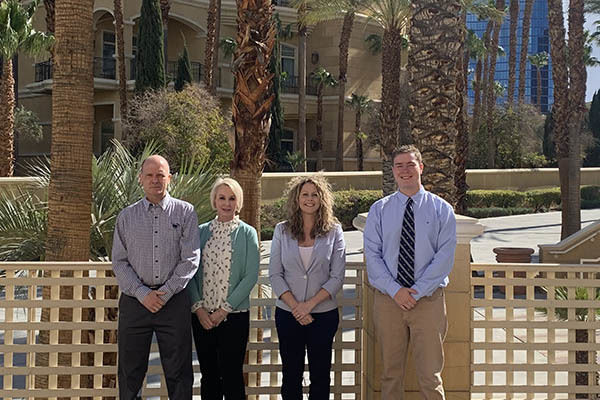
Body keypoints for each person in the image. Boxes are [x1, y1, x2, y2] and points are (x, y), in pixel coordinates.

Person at [364, 145, 457, 400]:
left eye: (410, 165)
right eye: (399, 165)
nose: (405, 170)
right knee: (390, 374)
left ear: (421, 168)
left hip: (428, 301)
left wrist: (416, 292)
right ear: (393, 171)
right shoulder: (379, 210)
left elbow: (444, 258)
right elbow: (372, 256)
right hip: (388, 301)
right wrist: (396, 291)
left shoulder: (441, 210)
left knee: (430, 375)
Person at [112, 155, 200, 400]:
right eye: (149, 175)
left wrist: (165, 292)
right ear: (140, 179)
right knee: (130, 374)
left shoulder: (185, 212)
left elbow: (191, 259)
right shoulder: (126, 217)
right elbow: (119, 262)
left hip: (173, 302)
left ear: (169, 178)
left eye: (160, 175)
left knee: (179, 373)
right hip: (134, 303)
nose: (155, 180)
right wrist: (143, 294)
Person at [269, 175, 346, 400]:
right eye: (305, 194)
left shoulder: (334, 231)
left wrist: (309, 306)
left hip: (323, 316)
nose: (309, 199)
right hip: (288, 314)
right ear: (297, 198)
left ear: (322, 199)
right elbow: (275, 274)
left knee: (320, 376)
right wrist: (296, 307)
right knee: (291, 375)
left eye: (315, 194)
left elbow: (336, 277)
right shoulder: (281, 230)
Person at [187, 177, 259, 400]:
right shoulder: (199, 232)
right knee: (208, 376)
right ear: (214, 201)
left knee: (232, 375)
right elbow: (189, 272)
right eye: (222, 198)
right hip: (203, 318)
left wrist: (223, 311)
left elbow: (250, 276)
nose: (226, 203)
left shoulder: (248, 233)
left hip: (233, 317)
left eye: (231, 198)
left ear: (238, 202)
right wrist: (200, 310)